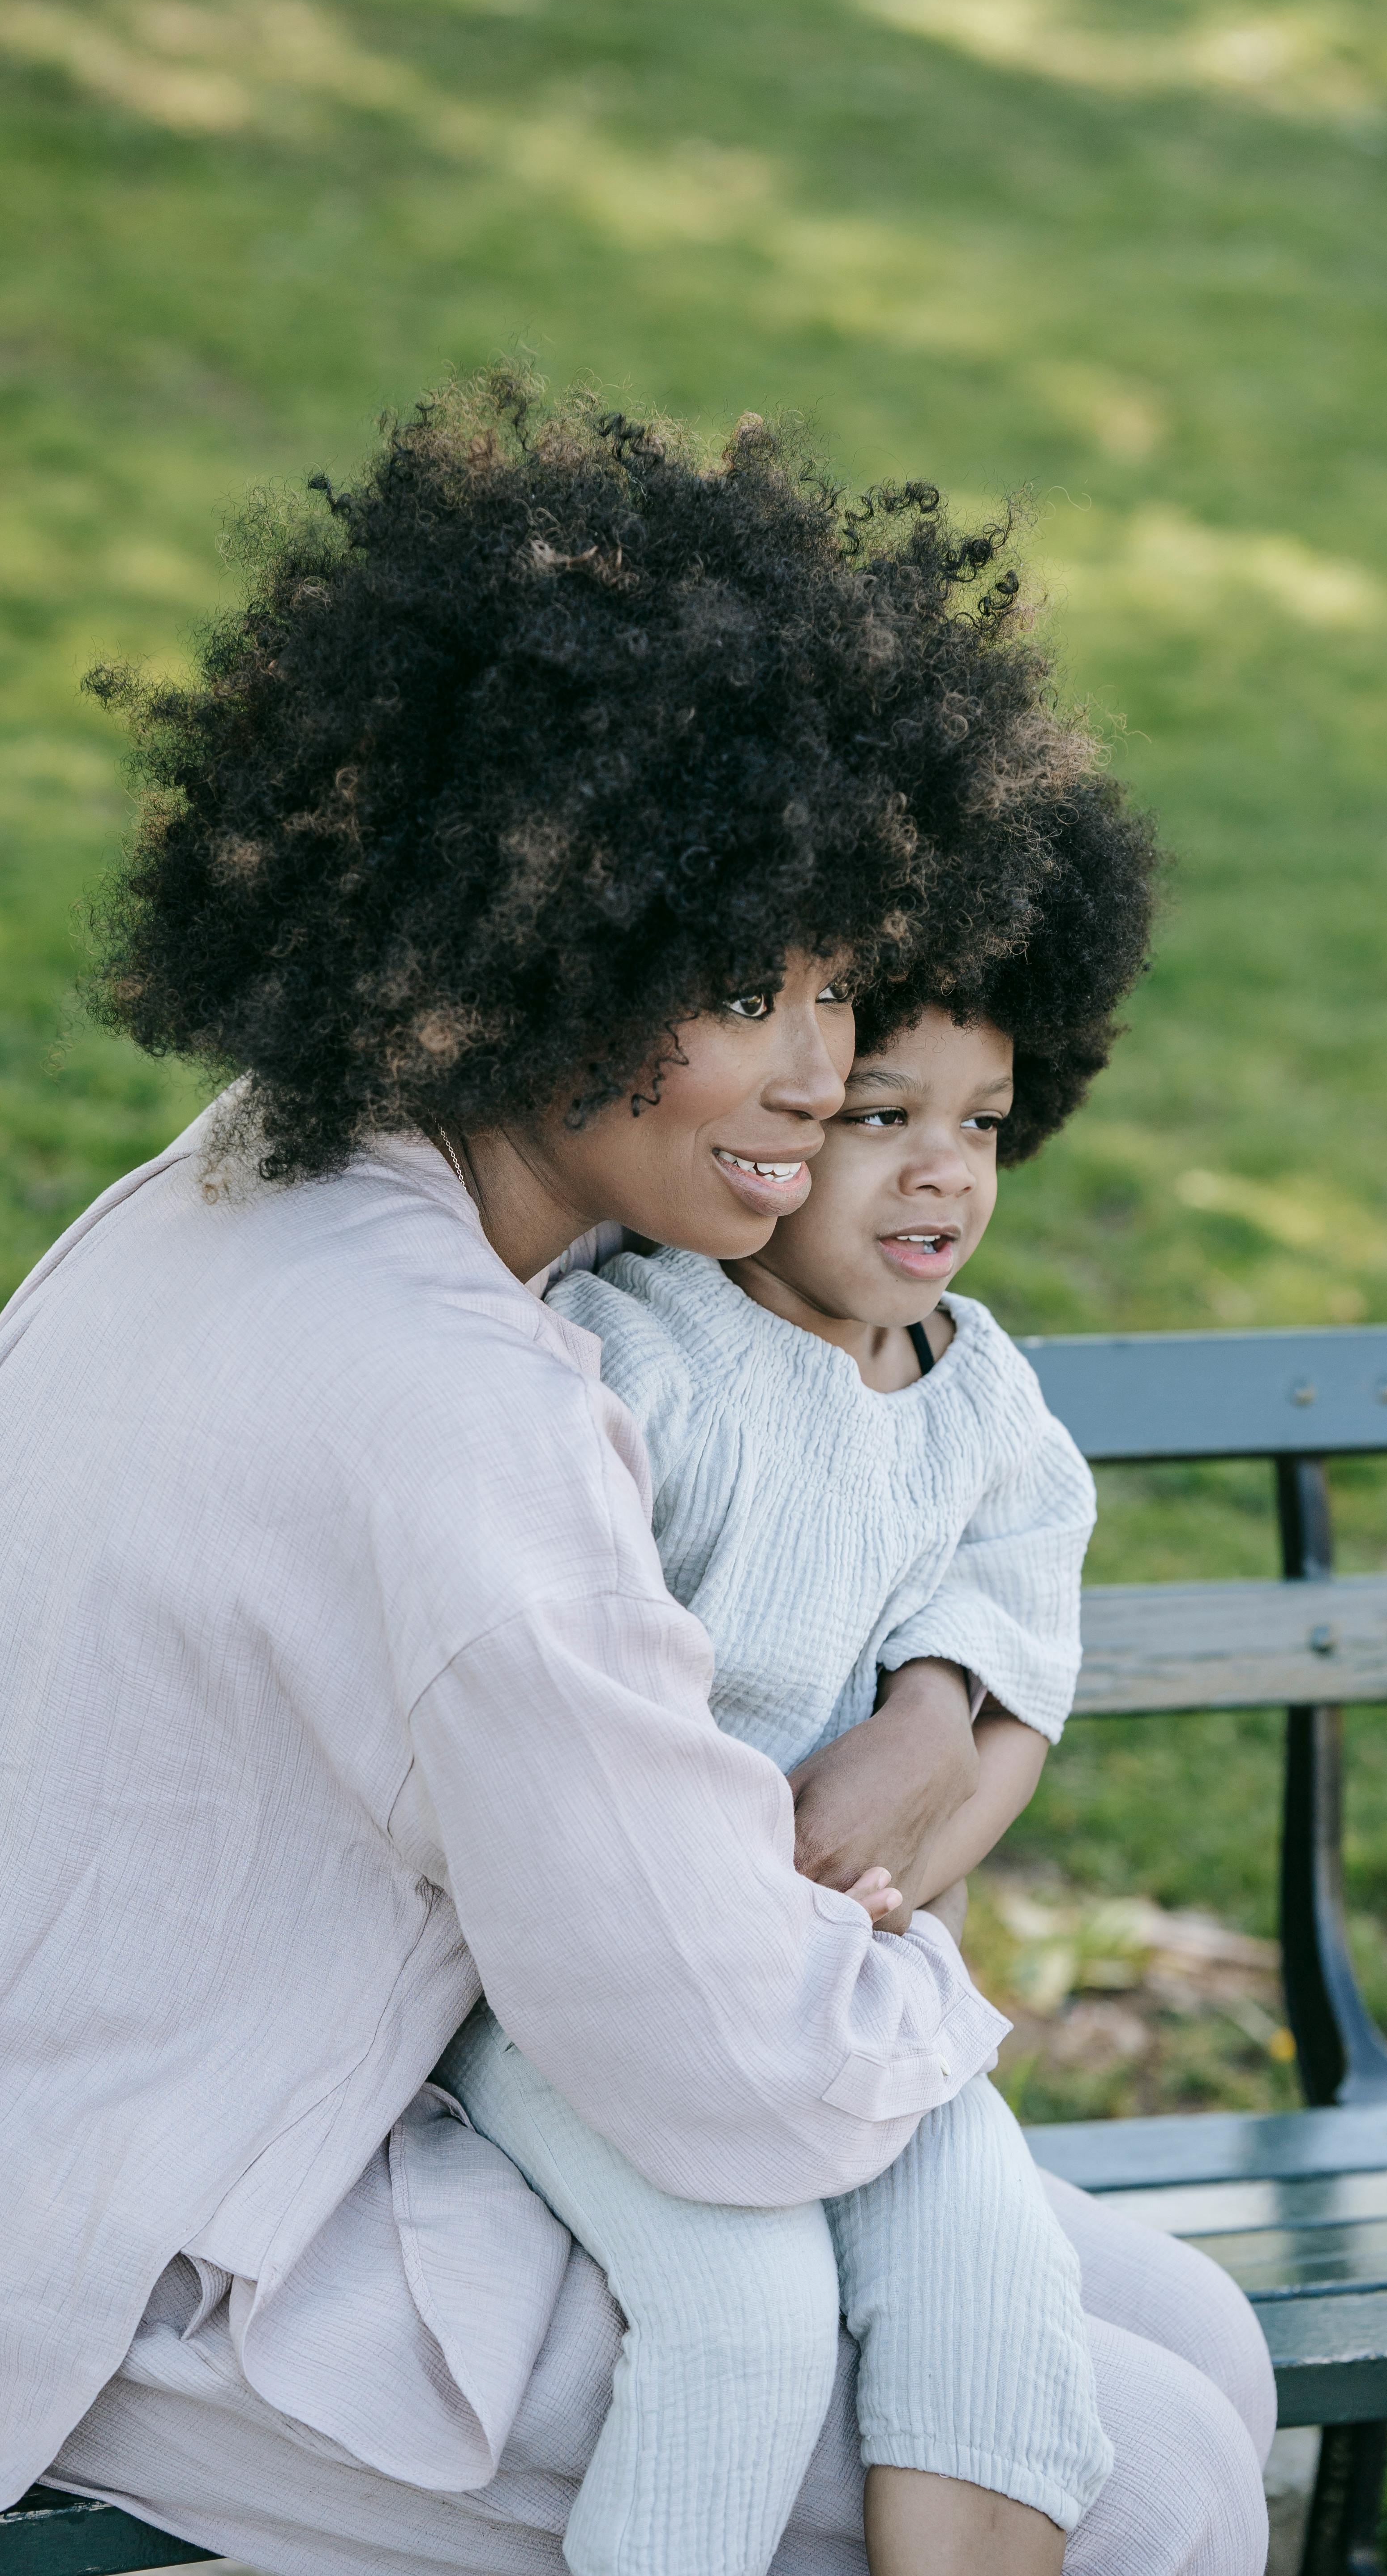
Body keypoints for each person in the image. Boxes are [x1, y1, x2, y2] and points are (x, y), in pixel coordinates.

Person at [0, 376, 1275, 2576]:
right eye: (743, 985)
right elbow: (718, 2050)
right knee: (1149, 2468)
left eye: (837, 982)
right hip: (185, 2252)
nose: (820, 1079)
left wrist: (947, 1721)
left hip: (201, 2129)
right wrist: (921, 1934)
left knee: (1185, 2331)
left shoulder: (268, 1181)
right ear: (529, 932)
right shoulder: (457, 1388)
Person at [444, 785, 1154, 2576]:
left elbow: (1008, 1697)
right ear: (770, 1144)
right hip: (570, 1984)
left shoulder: (985, 1402)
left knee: (990, 2285)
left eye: (984, 1125)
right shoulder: (636, 1356)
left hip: (844, 1968)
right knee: (736, 2317)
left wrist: (916, 1758)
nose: (945, 1172)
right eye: (879, 1120)